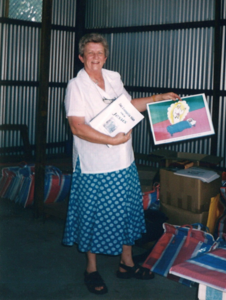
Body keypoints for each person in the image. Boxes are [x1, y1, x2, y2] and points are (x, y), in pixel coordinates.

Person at [62, 32, 181, 295]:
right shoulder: (76, 85)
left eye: (100, 52)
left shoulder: (114, 78)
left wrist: (156, 99)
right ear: (81, 57)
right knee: (94, 215)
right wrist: (110, 140)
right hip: (95, 164)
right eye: (90, 53)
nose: (95, 57)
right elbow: (77, 127)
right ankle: (91, 269)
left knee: (126, 211)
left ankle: (126, 264)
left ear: (106, 56)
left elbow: (128, 106)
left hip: (123, 160)